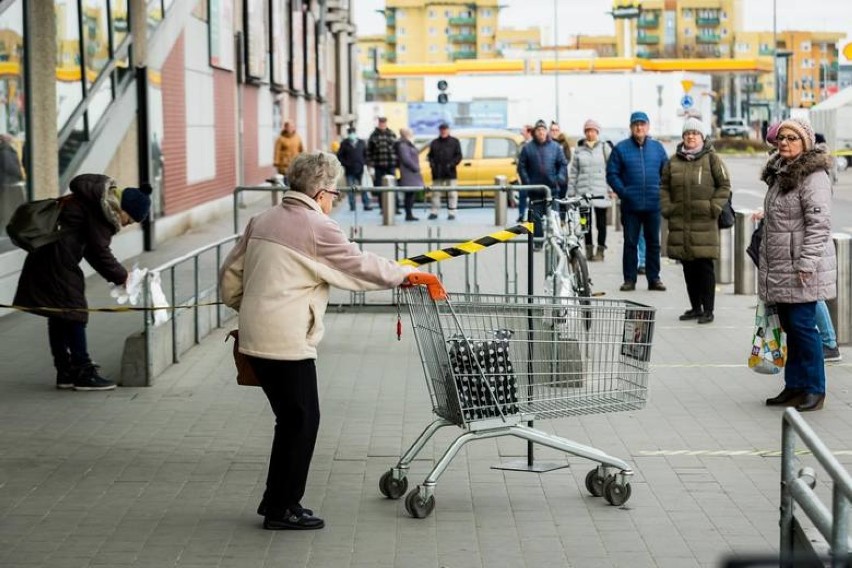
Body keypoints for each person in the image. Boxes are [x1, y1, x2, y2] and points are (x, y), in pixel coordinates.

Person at [219, 152, 422, 530]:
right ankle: (282, 509)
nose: (335, 201)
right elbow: (356, 264)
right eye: (335, 193)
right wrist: (404, 274)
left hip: (255, 335)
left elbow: (230, 275)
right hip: (284, 341)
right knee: (302, 422)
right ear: (321, 191)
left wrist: (249, 308)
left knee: (291, 421)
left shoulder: (262, 219)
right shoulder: (317, 226)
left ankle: (276, 502)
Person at [13, 175, 152, 391]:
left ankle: (66, 371)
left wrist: (117, 275)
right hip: (57, 261)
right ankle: (83, 371)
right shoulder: (100, 209)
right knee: (75, 311)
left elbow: (92, 251)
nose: (126, 225)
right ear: (123, 209)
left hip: (49, 256)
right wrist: (123, 277)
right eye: (130, 220)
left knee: (59, 313)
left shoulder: (94, 201)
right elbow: (100, 251)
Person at [759, 118, 836, 412]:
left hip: (802, 268)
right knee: (791, 327)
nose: (785, 143)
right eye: (782, 138)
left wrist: (806, 263)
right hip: (781, 266)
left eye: (792, 138)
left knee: (804, 328)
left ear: (805, 143)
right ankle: (795, 386)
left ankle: (815, 388)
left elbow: (819, 225)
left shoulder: (813, 176)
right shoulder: (781, 173)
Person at [660, 117, 731, 324]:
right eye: (687, 133)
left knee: (705, 267)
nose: (691, 136)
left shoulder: (712, 159)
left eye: (695, 133)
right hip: (680, 221)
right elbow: (664, 187)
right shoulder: (673, 161)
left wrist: (714, 207)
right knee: (688, 267)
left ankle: (708, 310)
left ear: (702, 136)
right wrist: (667, 208)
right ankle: (695, 308)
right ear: (683, 137)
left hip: (704, 222)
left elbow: (724, 185)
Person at [606, 111, 669, 292]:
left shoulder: (657, 148)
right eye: (636, 125)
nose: (639, 127)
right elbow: (612, 174)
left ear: (648, 127)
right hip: (630, 205)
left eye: (642, 124)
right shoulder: (621, 148)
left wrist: (660, 190)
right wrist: (624, 192)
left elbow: (666, 173)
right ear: (631, 127)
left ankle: (654, 278)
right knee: (630, 243)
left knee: (653, 243)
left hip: (652, 204)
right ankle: (629, 279)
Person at [517, 119, 568, 249]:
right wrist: (527, 182)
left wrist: (560, 178)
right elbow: (521, 166)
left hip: (552, 190)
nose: (541, 132)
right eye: (538, 130)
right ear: (535, 132)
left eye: (543, 130)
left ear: (546, 132)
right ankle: (538, 242)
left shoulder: (555, 147)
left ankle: (556, 242)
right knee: (536, 219)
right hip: (535, 191)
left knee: (555, 217)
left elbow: (563, 164)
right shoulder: (528, 148)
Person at [569, 119, 613, 261]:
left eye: (592, 130)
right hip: (583, 193)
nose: (590, 133)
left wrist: (611, 188)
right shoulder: (579, 150)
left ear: (597, 132)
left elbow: (612, 169)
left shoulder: (604, 147)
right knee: (584, 224)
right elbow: (574, 172)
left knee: (601, 224)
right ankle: (588, 249)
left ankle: (600, 250)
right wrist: (571, 192)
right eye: (587, 130)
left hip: (600, 192)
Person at [427, 123, 463, 221]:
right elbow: (430, 156)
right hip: (437, 172)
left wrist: (451, 164)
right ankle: (434, 212)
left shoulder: (455, 141)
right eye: (442, 129)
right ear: (439, 130)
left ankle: (452, 213)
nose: (443, 131)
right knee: (435, 194)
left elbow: (459, 156)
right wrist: (432, 164)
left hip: (450, 172)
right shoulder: (434, 142)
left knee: (452, 194)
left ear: (448, 130)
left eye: (445, 129)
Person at [366, 117, 399, 212]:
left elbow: (397, 149)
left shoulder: (392, 134)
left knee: (393, 186)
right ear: (378, 123)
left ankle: (395, 208)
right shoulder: (373, 135)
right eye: (381, 123)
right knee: (380, 188)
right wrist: (370, 163)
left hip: (391, 165)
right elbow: (368, 151)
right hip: (378, 165)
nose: (382, 125)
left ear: (386, 123)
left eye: (384, 123)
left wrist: (397, 163)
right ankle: (383, 208)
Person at [336, 127, 371, 212]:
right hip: (349, 170)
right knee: (351, 188)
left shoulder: (361, 142)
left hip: (360, 169)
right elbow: (339, 156)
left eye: (353, 132)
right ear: (348, 134)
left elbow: (366, 154)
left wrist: (364, 163)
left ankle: (366, 204)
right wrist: (346, 163)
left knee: (363, 187)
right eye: (350, 132)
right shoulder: (344, 143)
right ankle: (352, 205)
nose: (352, 134)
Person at [394, 128, 422, 221]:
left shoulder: (408, 144)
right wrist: (415, 168)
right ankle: (408, 214)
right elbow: (406, 159)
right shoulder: (403, 145)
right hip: (408, 173)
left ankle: (409, 213)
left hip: (412, 173)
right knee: (409, 194)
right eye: (411, 133)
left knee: (411, 194)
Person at [516, 125, 533, 221]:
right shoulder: (521, 144)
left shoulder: (535, 144)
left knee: (532, 196)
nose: (522, 134)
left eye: (523, 132)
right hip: (523, 174)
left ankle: (531, 215)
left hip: (532, 174)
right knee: (522, 195)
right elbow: (517, 159)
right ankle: (521, 214)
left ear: (529, 132)